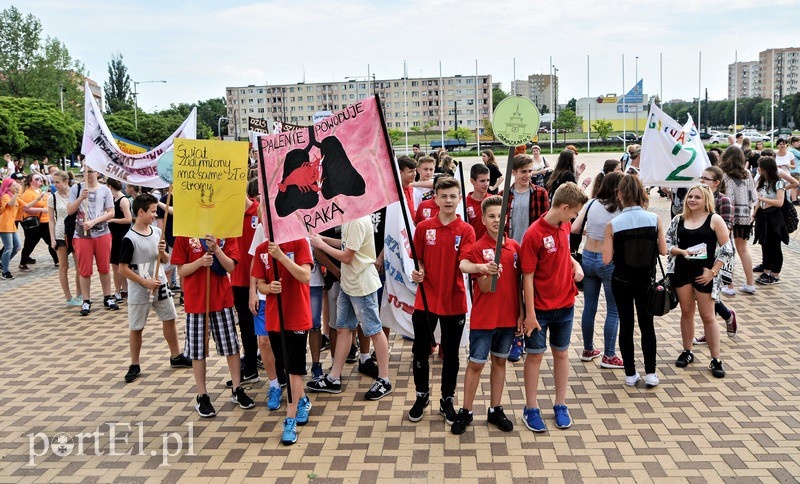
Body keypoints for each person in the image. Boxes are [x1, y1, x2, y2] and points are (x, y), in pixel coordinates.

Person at [405, 177, 475, 424]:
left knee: (451, 354)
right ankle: (421, 395)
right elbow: (418, 259)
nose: (448, 200)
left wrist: (477, 267)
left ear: (459, 199)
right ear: (434, 198)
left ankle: (447, 399)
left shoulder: (466, 230)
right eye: (443, 196)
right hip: (425, 299)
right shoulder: (424, 228)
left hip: (454, 301)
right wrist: (418, 271)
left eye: (453, 196)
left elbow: (465, 262)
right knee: (420, 351)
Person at [520, 182, 587, 432]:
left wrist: (574, 265)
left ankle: (560, 404)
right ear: (565, 207)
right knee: (535, 357)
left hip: (565, 305)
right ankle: (531, 407)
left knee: (561, 353)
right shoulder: (533, 234)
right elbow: (527, 276)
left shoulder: (565, 225)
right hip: (540, 310)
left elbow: (563, 252)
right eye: (575, 212)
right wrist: (529, 314)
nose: (575, 217)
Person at [452, 195, 520, 435]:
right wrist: (487, 271)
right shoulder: (478, 248)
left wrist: (521, 314)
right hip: (484, 318)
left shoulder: (514, 247)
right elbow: (481, 285)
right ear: (482, 219)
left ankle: (495, 409)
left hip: (508, 318)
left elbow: (521, 283)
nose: (496, 220)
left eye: (500, 216)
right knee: (476, 364)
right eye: (491, 216)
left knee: (500, 361)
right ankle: (466, 411)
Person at [308, 214, 393, 401]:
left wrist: (321, 245)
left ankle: (384, 379)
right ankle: (334, 377)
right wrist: (323, 239)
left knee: (374, 330)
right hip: (349, 282)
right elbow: (345, 244)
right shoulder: (350, 218)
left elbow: (347, 257)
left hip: (362, 284)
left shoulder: (357, 220)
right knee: (343, 329)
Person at [171, 233, 255, 418]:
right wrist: (200, 262)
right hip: (196, 302)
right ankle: (202, 395)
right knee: (198, 350)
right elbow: (181, 271)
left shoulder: (226, 232)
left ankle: (237, 388)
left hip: (222, 299)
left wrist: (217, 249)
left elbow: (231, 267)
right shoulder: (185, 234)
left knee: (231, 346)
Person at [119, 194, 191, 384]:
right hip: (139, 287)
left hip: (160, 283)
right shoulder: (129, 238)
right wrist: (144, 282)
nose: (155, 214)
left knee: (169, 318)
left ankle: (176, 356)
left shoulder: (157, 232)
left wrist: (163, 252)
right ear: (140, 212)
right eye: (152, 211)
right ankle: (134, 364)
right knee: (137, 326)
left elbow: (166, 261)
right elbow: (123, 268)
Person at [603, 175, 667, 387]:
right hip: (646, 281)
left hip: (621, 280)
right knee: (647, 326)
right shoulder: (654, 219)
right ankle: (651, 373)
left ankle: (630, 374)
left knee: (626, 325)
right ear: (642, 193)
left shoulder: (613, 224)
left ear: (620, 195)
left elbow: (606, 259)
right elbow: (663, 251)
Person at [251, 235, 314, 445]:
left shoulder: (299, 243)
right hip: (274, 318)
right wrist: (268, 289)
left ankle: (289, 419)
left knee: (294, 371)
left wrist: (282, 257)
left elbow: (305, 276)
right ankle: (302, 399)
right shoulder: (262, 248)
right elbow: (260, 284)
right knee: (287, 367)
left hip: (297, 316)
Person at [666, 184, 733, 379]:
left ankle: (715, 358)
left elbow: (727, 249)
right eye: (690, 197)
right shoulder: (679, 220)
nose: (692, 200)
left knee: (708, 316)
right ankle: (687, 351)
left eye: (697, 197)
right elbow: (668, 243)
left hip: (705, 274)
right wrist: (680, 251)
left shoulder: (715, 219)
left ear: (706, 200)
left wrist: (713, 272)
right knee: (686, 312)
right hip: (682, 272)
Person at [571, 171, 624, 369]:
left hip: (588, 258)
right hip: (609, 260)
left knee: (589, 307)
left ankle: (588, 349)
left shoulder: (591, 203)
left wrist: (591, 228)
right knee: (613, 310)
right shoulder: (621, 208)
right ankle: (609, 355)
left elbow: (574, 228)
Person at [501, 155, 550, 362]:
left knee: (530, 295)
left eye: (530, 171)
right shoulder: (506, 194)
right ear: (514, 172)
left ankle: (529, 336)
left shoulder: (540, 193)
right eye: (523, 172)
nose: (527, 176)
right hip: (511, 251)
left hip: (532, 253)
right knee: (513, 297)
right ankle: (516, 339)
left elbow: (545, 223)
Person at [67, 165, 119, 315]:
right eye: (85, 171)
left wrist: (94, 221)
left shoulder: (105, 190)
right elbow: (70, 211)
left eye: (91, 171)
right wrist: (81, 198)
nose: (88, 174)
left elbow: (111, 212)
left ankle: (107, 297)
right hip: (82, 235)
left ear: (97, 172)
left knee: (104, 267)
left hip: (102, 233)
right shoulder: (77, 189)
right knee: (84, 270)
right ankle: (86, 300)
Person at [696, 166, 738, 340]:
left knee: (709, 294)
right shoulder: (697, 199)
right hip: (698, 253)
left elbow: (726, 233)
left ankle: (722, 320)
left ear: (716, 183)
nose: (702, 181)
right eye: (701, 178)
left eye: (706, 179)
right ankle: (724, 317)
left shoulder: (723, 201)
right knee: (702, 294)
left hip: (719, 255)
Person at [227, 179, 261, 388]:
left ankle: (276, 369)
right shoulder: (227, 215)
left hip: (260, 279)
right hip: (238, 279)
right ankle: (250, 368)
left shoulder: (259, 212)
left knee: (265, 327)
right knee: (246, 326)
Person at [718, 145, 758, 294]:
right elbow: (754, 196)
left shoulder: (723, 173)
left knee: (727, 248)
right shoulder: (747, 173)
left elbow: (723, 194)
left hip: (727, 214)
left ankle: (729, 286)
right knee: (743, 249)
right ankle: (750, 284)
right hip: (744, 214)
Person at [47, 171, 81, 306]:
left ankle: (80, 293)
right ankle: (69, 297)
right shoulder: (53, 198)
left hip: (76, 231)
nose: (54, 184)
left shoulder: (75, 195)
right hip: (60, 233)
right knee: (63, 266)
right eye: (53, 182)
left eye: (57, 182)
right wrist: (52, 238)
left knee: (79, 265)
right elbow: (51, 219)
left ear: (66, 182)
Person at [753, 156, 788, 285]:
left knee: (775, 246)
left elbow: (779, 202)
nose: (758, 170)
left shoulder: (778, 182)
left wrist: (762, 199)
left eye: (760, 168)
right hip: (763, 216)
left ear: (766, 169)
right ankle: (766, 271)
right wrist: (754, 213)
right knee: (765, 245)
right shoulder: (763, 181)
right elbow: (758, 199)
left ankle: (775, 275)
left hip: (774, 218)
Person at [18, 174, 58, 270]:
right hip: (34, 223)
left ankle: (57, 261)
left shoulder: (40, 191)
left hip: (45, 221)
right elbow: (26, 209)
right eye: (36, 179)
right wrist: (41, 210)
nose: (39, 180)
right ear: (31, 182)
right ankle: (23, 262)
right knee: (30, 243)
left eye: (40, 178)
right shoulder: (27, 193)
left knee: (51, 241)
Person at [107, 178, 132, 303]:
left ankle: (119, 291)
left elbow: (128, 219)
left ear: (110, 186)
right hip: (115, 236)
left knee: (118, 265)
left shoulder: (123, 200)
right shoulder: (114, 200)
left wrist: (112, 220)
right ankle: (123, 289)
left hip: (122, 236)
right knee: (116, 265)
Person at [0, 178, 22, 280]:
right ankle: (5, 271)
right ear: (8, 187)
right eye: (14, 184)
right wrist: (17, 193)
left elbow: (25, 205)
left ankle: (2, 263)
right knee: (8, 248)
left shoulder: (14, 195)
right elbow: (10, 204)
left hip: (11, 225)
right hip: (4, 225)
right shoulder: (5, 196)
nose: (17, 185)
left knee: (17, 247)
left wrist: (38, 199)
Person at [465, 164, 490, 240]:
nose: (486, 184)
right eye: (482, 181)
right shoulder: (464, 204)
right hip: (473, 248)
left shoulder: (494, 201)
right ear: (472, 181)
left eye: (488, 180)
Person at [789, 136, 800, 204]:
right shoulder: (792, 150)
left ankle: (794, 197)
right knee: (795, 185)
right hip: (794, 170)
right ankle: (794, 199)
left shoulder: (789, 149)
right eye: (798, 142)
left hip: (794, 170)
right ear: (793, 143)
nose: (799, 143)